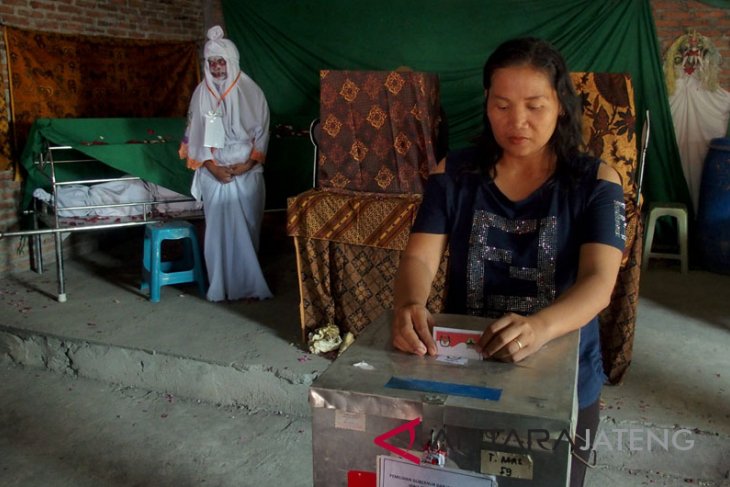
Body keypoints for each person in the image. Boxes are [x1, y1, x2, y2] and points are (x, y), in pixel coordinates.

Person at [390, 37, 625, 487]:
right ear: (486, 103)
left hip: (561, 379)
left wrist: (540, 327)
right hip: (467, 369)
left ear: (560, 104)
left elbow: (599, 281)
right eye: (502, 105)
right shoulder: (453, 174)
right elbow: (420, 255)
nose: (517, 121)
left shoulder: (594, 182)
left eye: (535, 105)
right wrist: (408, 305)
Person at [179, 25, 273, 302]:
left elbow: (263, 133)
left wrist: (246, 165)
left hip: (247, 172)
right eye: (212, 63)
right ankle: (219, 287)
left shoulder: (252, 92)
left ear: (231, 63)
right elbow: (195, 137)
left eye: (221, 62)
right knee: (218, 235)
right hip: (214, 174)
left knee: (248, 229)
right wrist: (212, 168)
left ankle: (248, 285)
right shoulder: (200, 94)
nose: (217, 67)